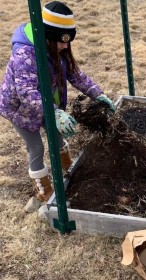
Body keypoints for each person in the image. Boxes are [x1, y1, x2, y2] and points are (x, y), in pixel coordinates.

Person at [0, 1, 116, 204]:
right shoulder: (25, 54)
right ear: (47, 37)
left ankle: (68, 169)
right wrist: (54, 112)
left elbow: (76, 75)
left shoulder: (58, 49)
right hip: (20, 108)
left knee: (57, 135)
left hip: (46, 103)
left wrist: (98, 94)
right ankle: (44, 190)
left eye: (68, 41)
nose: (65, 46)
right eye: (61, 41)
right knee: (36, 147)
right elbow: (25, 92)